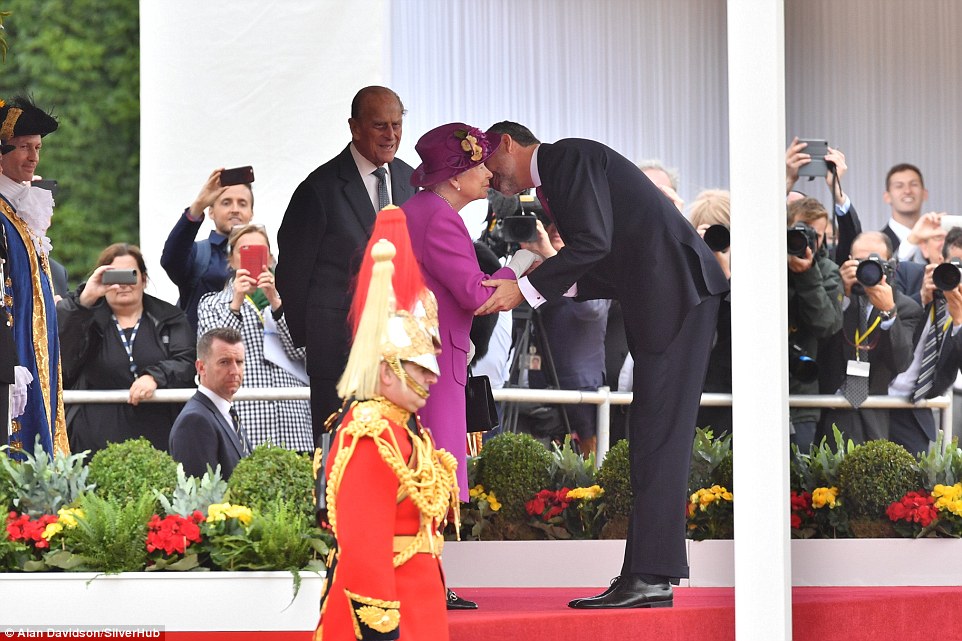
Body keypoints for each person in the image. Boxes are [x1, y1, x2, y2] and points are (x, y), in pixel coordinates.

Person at [478, 122, 728, 609]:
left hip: (681, 297)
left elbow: (593, 245)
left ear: (507, 143)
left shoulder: (565, 158)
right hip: (670, 301)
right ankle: (644, 573)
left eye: (489, 163)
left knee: (658, 441)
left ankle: (651, 577)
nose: (490, 177)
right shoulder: (560, 172)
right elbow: (604, 252)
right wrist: (541, 273)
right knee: (650, 442)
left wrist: (526, 289)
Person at [315, 235, 458, 641]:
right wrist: (380, 629)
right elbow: (364, 547)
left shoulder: (404, 428)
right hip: (386, 618)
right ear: (384, 370)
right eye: (417, 366)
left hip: (420, 609)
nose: (432, 376)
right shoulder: (371, 433)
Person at [277, 86, 417, 445]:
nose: (391, 135)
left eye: (397, 125)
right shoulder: (318, 189)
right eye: (380, 126)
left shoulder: (410, 179)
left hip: (400, 355)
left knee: (397, 453)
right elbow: (292, 274)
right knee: (340, 454)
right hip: (339, 353)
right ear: (355, 127)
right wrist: (315, 338)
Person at [401, 123, 528, 499]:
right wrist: (517, 267)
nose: (489, 172)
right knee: (438, 487)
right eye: (478, 166)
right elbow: (477, 294)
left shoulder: (418, 210)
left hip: (420, 358)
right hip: (436, 367)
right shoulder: (440, 217)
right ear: (455, 178)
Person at [57, 244, 196, 455]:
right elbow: (64, 361)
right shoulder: (85, 315)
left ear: (143, 279)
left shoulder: (169, 317)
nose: (122, 284)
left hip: (156, 435)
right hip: (95, 438)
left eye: (129, 275)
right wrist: (86, 299)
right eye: (114, 277)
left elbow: (187, 361)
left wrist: (155, 376)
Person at [197, 223, 313, 452]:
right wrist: (236, 303)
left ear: (270, 259)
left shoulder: (293, 301)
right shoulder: (211, 303)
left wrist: (277, 304)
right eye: (245, 251)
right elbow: (215, 357)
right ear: (231, 261)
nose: (253, 260)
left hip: (296, 425)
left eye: (260, 253)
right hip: (246, 423)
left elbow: (304, 352)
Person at [0, 95, 67, 457]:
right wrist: (7, 359)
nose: (33, 157)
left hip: (34, 344)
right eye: (23, 146)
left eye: (37, 147)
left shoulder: (19, 209)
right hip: (13, 346)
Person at [816, 232, 922, 445]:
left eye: (874, 262)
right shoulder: (836, 298)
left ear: (892, 266)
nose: (866, 269)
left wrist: (889, 312)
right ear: (847, 261)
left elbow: (900, 362)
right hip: (826, 411)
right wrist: (842, 297)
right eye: (859, 261)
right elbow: (821, 343)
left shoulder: (905, 308)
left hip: (873, 418)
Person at [520, 218, 610, 456]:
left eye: (563, 223)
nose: (556, 229)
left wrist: (553, 257)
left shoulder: (595, 264)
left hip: (581, 386)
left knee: (587, 465)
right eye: (550, 223)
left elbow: (591, 310)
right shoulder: (538, 264)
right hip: (536, 380)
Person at [161, 168, 254, 332]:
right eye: (226, 202)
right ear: (211, 211)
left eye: (242, 203)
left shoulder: (264, 259)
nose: (235, 209)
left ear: (251, 213)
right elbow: (170, 259)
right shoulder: (198, 254)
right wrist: (198, 206)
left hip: (251, 354)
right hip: (202, 352)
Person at [169, 327, 250, 479]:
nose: (234, 371)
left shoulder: (226, 414)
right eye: (224, 362)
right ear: (201, 367)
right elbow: (200, 496)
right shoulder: (195, 421)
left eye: (239, 362)